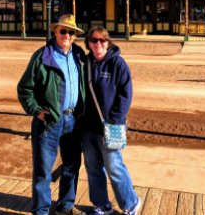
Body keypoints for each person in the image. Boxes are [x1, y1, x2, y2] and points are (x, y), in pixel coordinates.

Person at [17, 14, 86, 215]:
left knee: (72, 166)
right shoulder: (41, 56)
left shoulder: (79, 55)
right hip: (49, 122)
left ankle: (65, 206)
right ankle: (41, 210)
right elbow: (24, 89)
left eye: (71, 32)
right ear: (55, 31)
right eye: (63, 30)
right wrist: (37, 112)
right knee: (43, 170)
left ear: (74, 35)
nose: (67, 35)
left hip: (73, 119)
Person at [80, 26, 141, 215]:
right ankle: (102, 205)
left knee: (114, 166)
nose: (98, 43)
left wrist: (112, 120)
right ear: (88, 43)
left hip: (112, 126)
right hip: (88, 127)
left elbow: (125, 95)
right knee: (93, 167)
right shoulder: (85, 62)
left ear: (108, 42)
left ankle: (131, 203)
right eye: (94, 40)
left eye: (102, 40)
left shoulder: (118, 64)